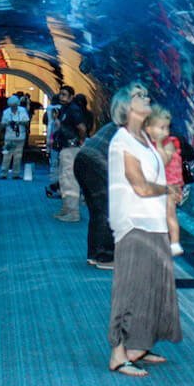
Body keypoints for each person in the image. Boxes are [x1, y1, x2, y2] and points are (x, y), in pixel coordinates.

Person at [106, 92, 183, 377]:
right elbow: (139, 186)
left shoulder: (147, 140)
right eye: (140, 95)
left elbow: (159, 173)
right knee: (130, 290)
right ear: (127, 108)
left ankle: (139, 345)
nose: (146, 96)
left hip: (154, 223)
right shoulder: (122, 141)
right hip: (134, 225)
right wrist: (168, 191)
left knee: (152, 288)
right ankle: (118, 353)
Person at [75, 83, 143, 268]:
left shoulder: (117, 126)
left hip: (84, 158)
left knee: (98, 209)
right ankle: (105, 256)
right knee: (108, 208)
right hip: (96, 161)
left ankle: (95, 254)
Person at [144, 106, 185, 256]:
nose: (165, 132)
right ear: (148, 128)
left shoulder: (169, 142)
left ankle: (175, 243)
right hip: (156, 185)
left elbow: (162, 161)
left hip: (170, 185)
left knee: (169, 213)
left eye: (167, 128)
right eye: (161, 128)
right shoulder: (146, 143)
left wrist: (159, 143)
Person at [53, 91, 89, 222]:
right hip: (64, 147)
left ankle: (73, 212)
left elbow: (82, 127)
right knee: (63, 179)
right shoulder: (64, 109)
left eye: (64, 94)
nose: (61, 96)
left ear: (71, 96)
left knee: (70, 179)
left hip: (71, 147)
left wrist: (81, 140)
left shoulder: (73, 110)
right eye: (60, 94)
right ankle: (66, 208)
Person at [0, 93, 30, 180]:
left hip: (20, 137)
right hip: (9, 137)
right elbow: (2, 124)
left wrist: (19, 122)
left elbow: (27, 122)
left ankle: (16, 174)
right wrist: (7, 123)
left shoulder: (22, 110)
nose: (13, 107)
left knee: (18, 156)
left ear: (17, 104)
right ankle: (3, 173)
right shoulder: (6, 112)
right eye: (12, 106)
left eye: (15, 106)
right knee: (6, 155)